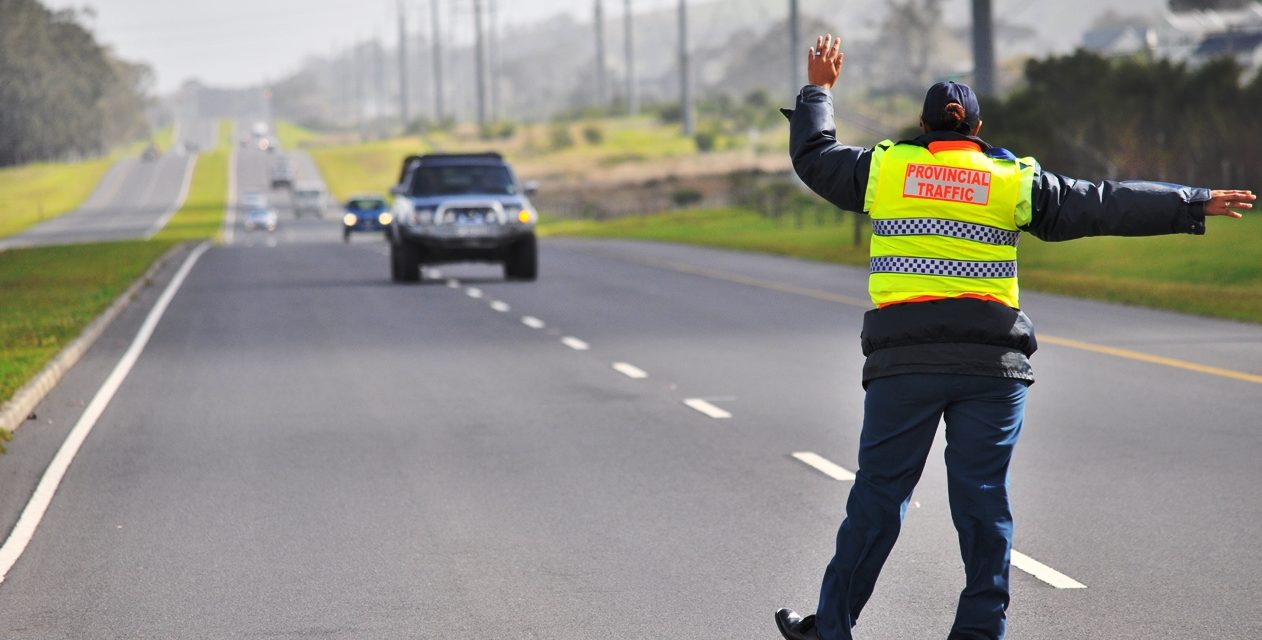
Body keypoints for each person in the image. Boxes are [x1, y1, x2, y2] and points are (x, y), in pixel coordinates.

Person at [773, 34, 1255, 640]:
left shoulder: (886, 168)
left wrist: (819, 87)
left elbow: (815, 155)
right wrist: (1191, 202)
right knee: (982, 502)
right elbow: (1102, 203)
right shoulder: (1009, 179)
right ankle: (979, 633)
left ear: (923, 127)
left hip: (906, 364)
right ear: (978, 127)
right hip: (993, 370)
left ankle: (832, 628)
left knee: (876, 500)